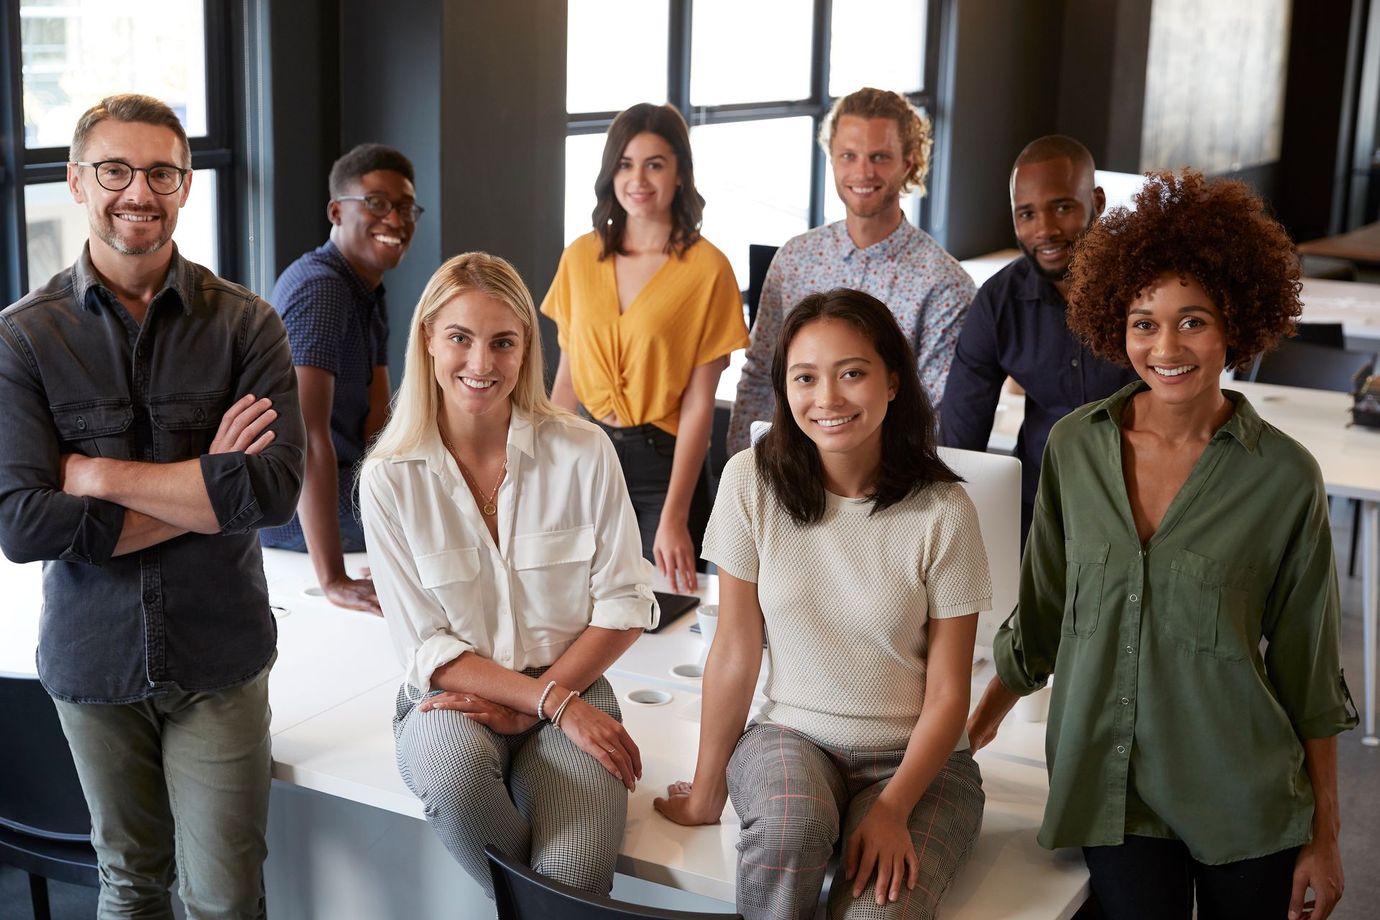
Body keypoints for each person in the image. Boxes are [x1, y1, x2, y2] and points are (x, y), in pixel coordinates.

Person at [967, 170, 1357, 920]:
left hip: (1242, 797)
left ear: (1237, 324)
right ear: (1116, 322)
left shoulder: (1282, 478)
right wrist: (968, 733)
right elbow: (1043, 612)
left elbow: (1310, 673)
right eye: (1144, 322)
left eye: (1193, 321)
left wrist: (1328, 835)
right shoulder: (1076, 449)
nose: (1166, 346)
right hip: (1113, 794)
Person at [0, 94, 304, 917]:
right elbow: (24, 525)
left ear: (185, 184)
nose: (139, 191)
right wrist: (209, 483)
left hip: (219, 660)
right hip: (94, 664)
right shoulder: (24, 338)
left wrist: (95, 476)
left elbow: (272, 490)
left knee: (225, 898)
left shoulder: (248, 326)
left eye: (161, 172)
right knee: (129, 884)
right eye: (116, 170)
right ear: (76, 182)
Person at [656, 288, 990, 920]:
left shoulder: (944, 510)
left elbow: (950, 695)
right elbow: (734, 648)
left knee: (877, 913)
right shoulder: (750, 481)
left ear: (892, 380)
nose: (828, 399)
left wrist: (892, 807)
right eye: (805, 378)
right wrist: (706, 793)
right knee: (790, 833)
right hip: (793, 737)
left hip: (919, 762)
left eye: (852, 374)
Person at [360, 251, 659, 898]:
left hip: (573, 684)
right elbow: (427, 649)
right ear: (428, 343)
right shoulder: (389, 478)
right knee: (454, 779)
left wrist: (547, 701)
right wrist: (548, 705)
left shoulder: (582, 452)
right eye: (460, 339)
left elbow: (624, 604)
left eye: (503, 342)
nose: (481, 363)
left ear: (526, 350)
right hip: (455, 701)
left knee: (575, 875)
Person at [541, 102, 748, 591]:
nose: (639, 178)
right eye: (626, 163)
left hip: (664, 468)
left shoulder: (707, 269)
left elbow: (700, 404)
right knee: (581, 609)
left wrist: (673, 516)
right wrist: (543, 469)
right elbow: (567, 381)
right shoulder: (580, 257)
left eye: (655, 163)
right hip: (585, 458)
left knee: (666, 611)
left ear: (679, 173)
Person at [728, 87, 975, 455]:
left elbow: (933, 413)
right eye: (848, 156)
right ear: (832, 159)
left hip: (885, 482)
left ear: (908, 162)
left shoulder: (945, 283)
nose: (863, 172)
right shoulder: (794, 259)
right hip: (788, 472)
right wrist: (741, 471)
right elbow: (762, 375)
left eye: (879, 156)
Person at [939, 135, 1137, 540]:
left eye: (1062, 207)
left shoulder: (1148, 288)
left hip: (1142, 508)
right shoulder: (998, 303)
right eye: (1026, 214)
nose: (1044, 230)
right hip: (1039, 514)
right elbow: (961, 443)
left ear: (1097, 201)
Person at [260, 143, 420, 615]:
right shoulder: (322, 289)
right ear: (336, 210)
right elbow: (306, 437)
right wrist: (333, 579)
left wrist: (394, 506)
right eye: (376, 203)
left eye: (405, 207)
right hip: (292, 506)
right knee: (453, 514)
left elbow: (377, 417)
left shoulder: (366, 283)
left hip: (344, 482)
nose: (395, 219)